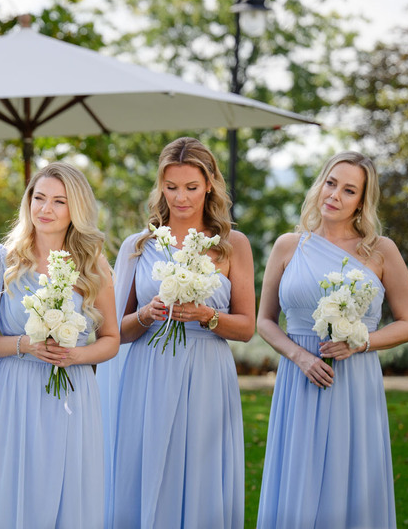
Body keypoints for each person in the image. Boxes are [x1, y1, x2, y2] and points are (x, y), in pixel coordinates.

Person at [255, 151, 408, 529]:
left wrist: (361, 342)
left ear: (362, 202)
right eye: (331, 183)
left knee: (350, 481)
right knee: (299, 479)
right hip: (299, 379)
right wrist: (300, 357)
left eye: (349, 190)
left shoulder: (379, 251)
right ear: (320, 184)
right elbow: (265, 321)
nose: (334, 195)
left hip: (353, 382)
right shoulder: (287, 246)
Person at [99, 136, 255, 528]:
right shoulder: (139, 246)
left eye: (190, 187)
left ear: (209, 186)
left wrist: (207, 315)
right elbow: (116, 332)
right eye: (171, 188)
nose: (180, 198)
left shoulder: (232, 245)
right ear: (160, 188)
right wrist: (148, 315)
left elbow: (247, 327)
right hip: (149, 372)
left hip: (208, 373)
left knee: (201, 474)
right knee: (149, 467)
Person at [0, 162, 119, 528]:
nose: (45, 209)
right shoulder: (4, 260)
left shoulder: (94, 265)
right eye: (39, 197)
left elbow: (111, 340)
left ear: (75, 209)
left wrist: (77, 355)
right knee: (11, 491)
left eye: (59, 201)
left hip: (72, 393)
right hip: (14, 393)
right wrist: (24, 345)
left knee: (67, 490)